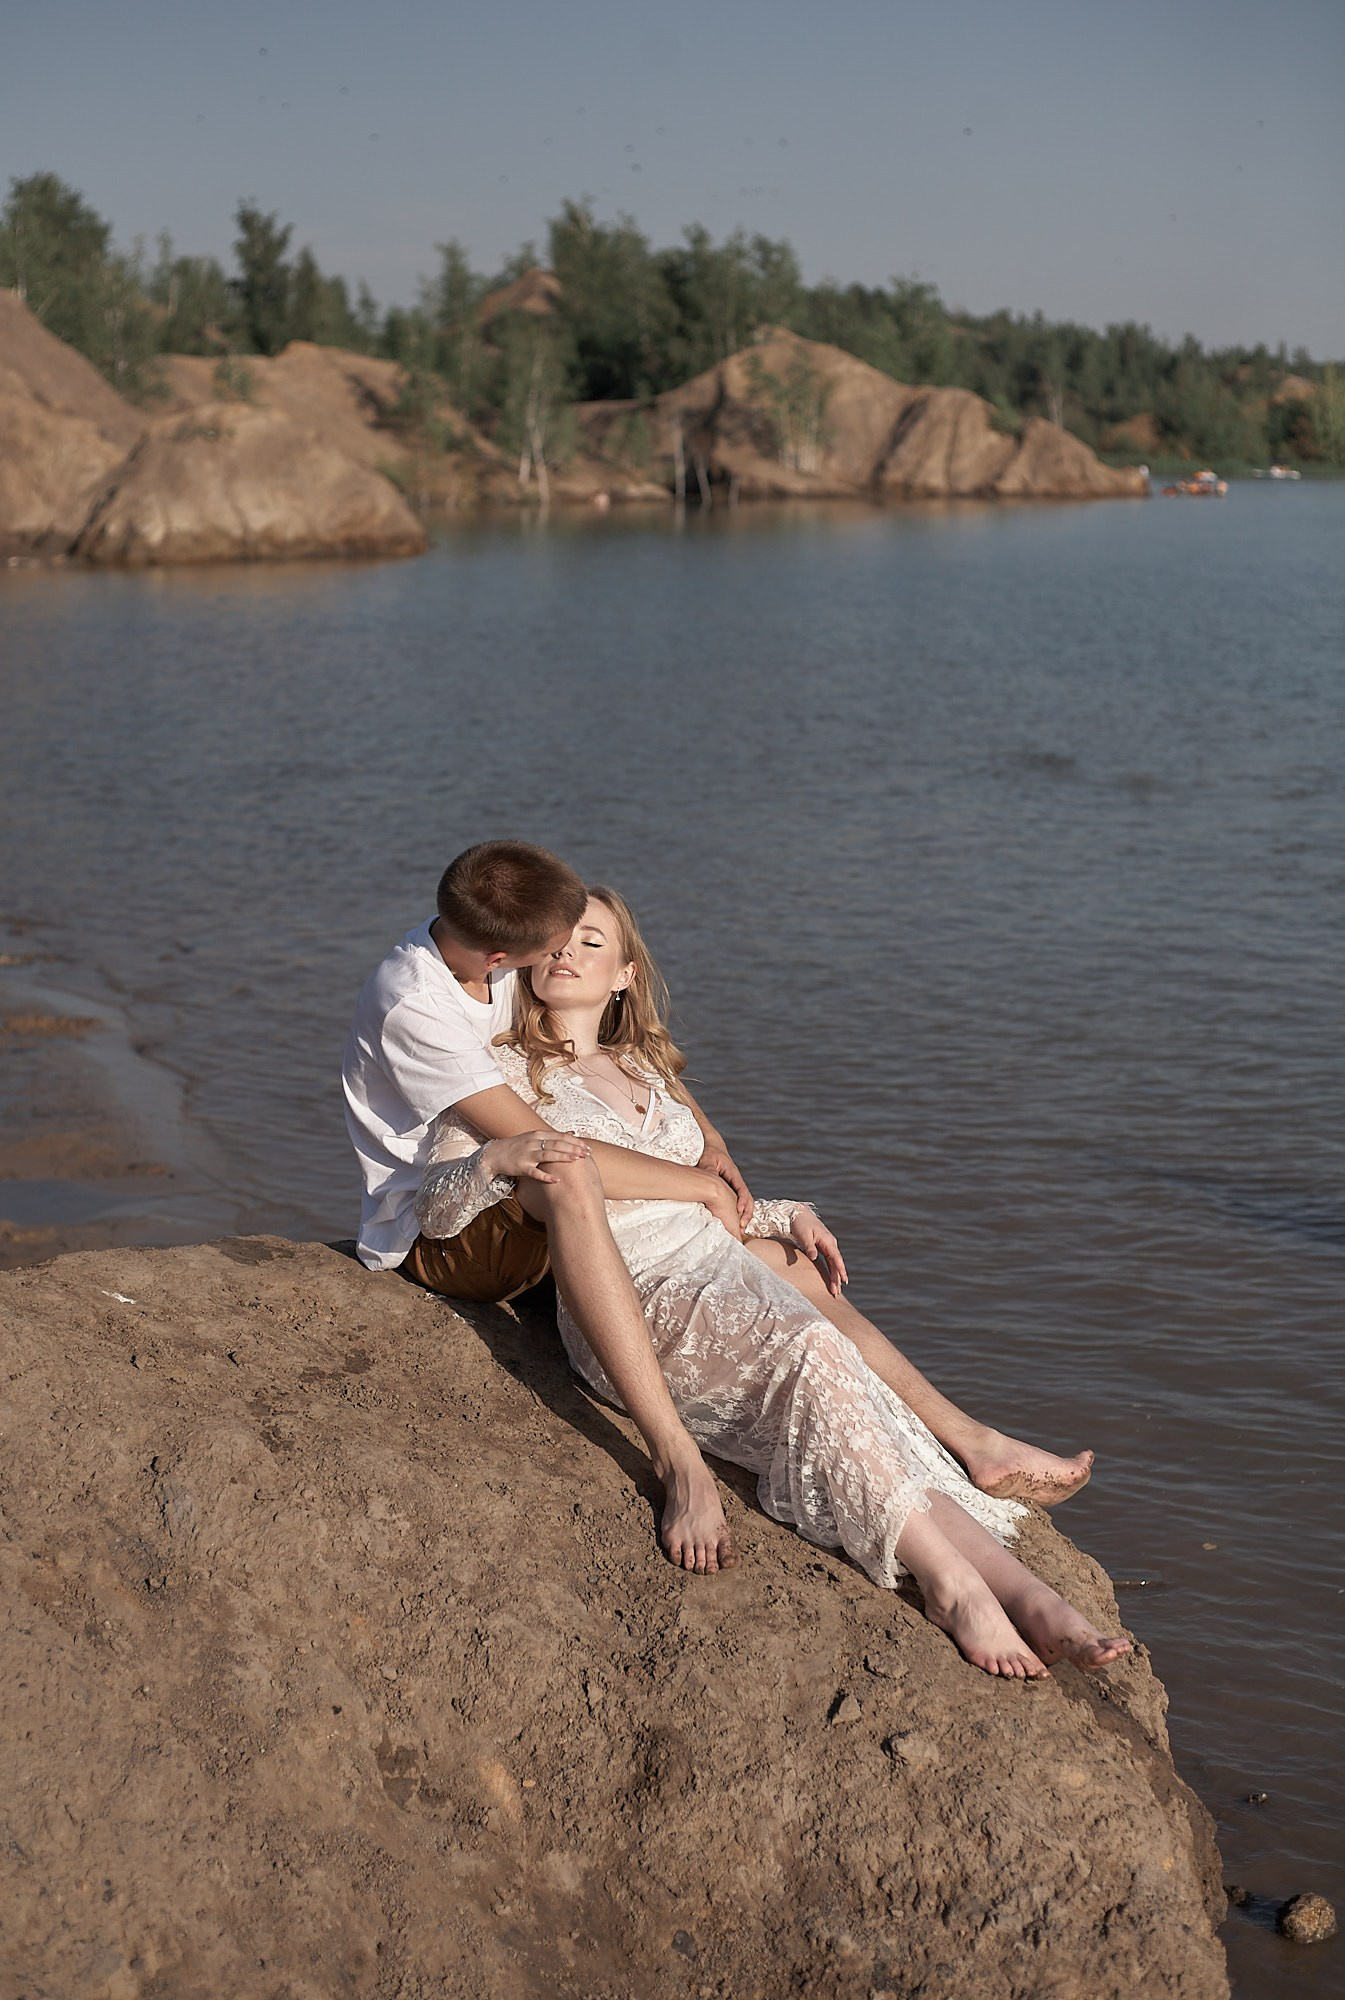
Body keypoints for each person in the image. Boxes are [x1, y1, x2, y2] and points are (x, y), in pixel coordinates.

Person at [414, 887, 1130, 1679]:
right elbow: (437, 1207)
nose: (565, 953)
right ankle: (952, 1585)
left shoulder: (641, 1066)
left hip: (719, 1271)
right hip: (636, 1294)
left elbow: (703, 1197)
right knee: (817, 1348)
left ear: (623, 974)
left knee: (844, 1383)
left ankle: (1025, 1592)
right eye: (553, 938)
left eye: (590, 942)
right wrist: (496, 1159)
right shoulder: (503, 1073)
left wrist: (787, 1212)